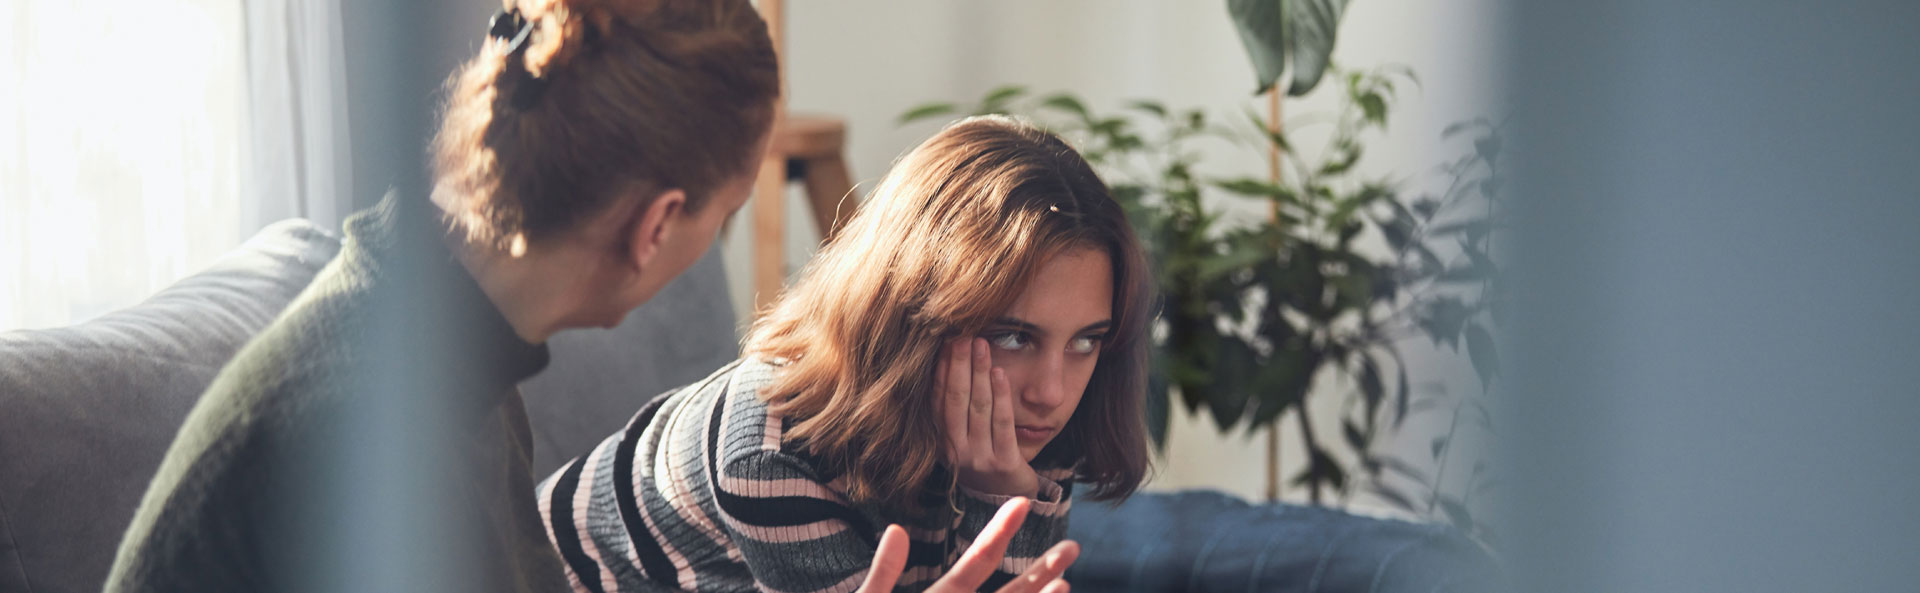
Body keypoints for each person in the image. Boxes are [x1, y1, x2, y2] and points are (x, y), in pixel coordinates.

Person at [540, 115, 1154, 593]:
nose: (1051, 391)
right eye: (1014, 336)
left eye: (1085, 340)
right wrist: (1007, 502)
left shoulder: (1031, 422)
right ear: (915, 311)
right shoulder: (771, 450)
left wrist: (1007, 492)